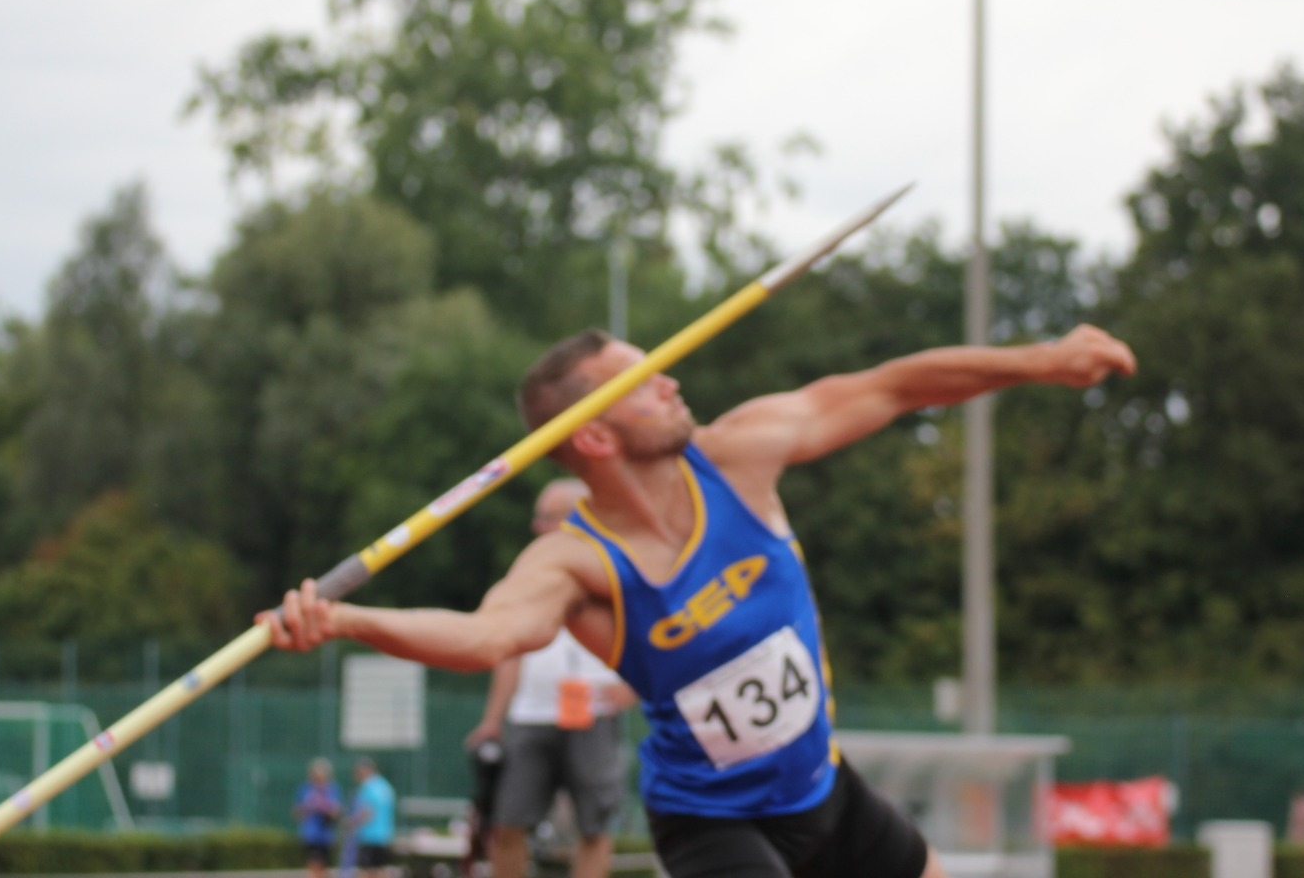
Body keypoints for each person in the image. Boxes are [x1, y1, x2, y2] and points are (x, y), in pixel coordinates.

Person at [264, 323, 1136, 878]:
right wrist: (344, 619)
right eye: (647, 381)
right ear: (595, 434)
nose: (673, 383)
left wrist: (1042, 361)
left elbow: (893, 386)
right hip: (715, 825)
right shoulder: (577, 563)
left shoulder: (739, 459)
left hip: (824, 792)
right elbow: (486, 636)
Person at [464, 478, 638, 878]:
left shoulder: (614, 569)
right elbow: (509, 651)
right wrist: (492, 719)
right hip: (532, 715)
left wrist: (634, 686)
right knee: (507, 822)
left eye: (546, 518)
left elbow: (649, 634)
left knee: (594, 825)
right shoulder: (525, 575)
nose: (536, 527)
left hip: (592, 714)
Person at [293, 757, 343, 878]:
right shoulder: (305, 789)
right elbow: (297, 812)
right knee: (314, 865)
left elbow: (336, 812)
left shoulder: (333, 789)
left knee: (324, 867)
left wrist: (324, 806)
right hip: (311, 834)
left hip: (326, 835)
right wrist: (308, 806)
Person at [349, 756, 397, 878]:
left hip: (369, 836)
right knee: (381, 870)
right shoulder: (385, 786)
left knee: (366, 871)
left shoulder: (367, 787)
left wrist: (352, 822)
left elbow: (367, 812)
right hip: (385, 835)